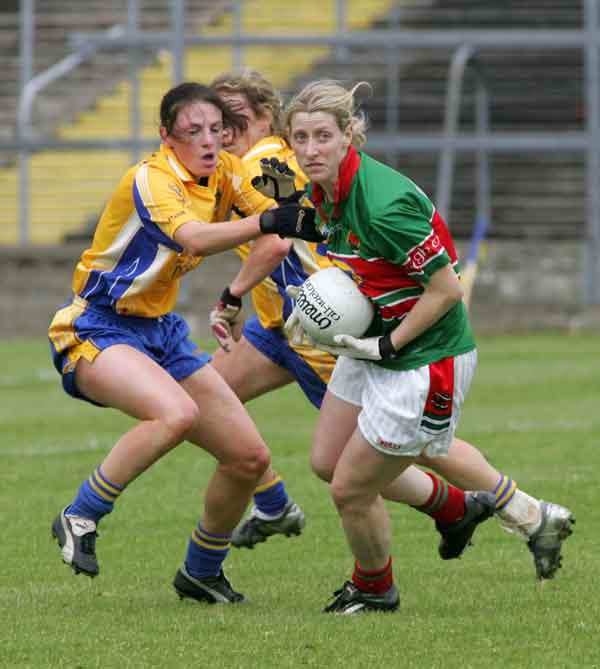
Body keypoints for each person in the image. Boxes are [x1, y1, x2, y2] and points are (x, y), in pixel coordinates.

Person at [209, 70, 575, 584]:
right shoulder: (323, 191)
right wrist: (309, 305)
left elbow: (447, 290)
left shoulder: (382, 203)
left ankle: (375, 588)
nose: (312, 149)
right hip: (375, 340)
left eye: (324, 137)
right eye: (302, 138)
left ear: (349, 137)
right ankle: (520, 516)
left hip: (424, 356)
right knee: (328, 460)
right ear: (288, 140)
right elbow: (313, 235)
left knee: (354, 486)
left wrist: (387, 344)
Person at [48, 82, 291, 606]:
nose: (208, 141)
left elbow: (278, 235)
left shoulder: (225, 169)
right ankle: (80, 513)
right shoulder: (152, 178)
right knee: (175, 414)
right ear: (165, 136)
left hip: (162, 332)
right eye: (192, 131)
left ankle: (201, 572)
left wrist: (235, 291)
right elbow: (196, 238)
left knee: (248, 459)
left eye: (216, 130)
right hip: (97, 326)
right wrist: (273, 217)